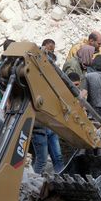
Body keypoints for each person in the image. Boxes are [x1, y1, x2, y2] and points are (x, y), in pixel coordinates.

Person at [31, 39, 64, 174]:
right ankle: (31, 184)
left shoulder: (51, 80)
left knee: (58, 157)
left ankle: (61, 178)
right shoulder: (36, 78)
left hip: (51, 124)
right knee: (42, 160)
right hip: (39, 125)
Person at [0, 39, 15, 113]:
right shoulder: (2, 65)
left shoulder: (5, 61)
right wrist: (8, 102)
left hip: (4, 99)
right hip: (0, 99)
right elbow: (2, 87)